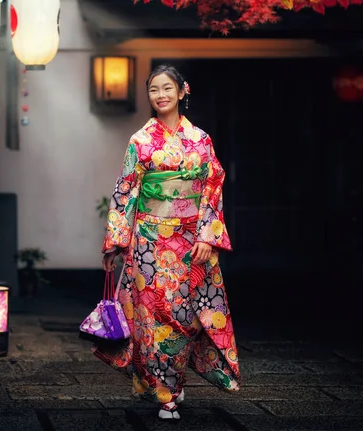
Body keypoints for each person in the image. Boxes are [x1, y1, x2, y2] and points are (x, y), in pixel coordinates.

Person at [93, 64, 241, 420]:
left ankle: (168, 379)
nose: (160, 96)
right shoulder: (140, 141)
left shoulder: (201, 140)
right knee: (152, 315)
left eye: (166, 89)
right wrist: (116, 242)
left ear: (181, 91)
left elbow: (212, 187)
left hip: (191, 239)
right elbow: (126, 190)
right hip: (147, 241)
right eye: (153, 90)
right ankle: (166, 393)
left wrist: (208, 233)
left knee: (187, 317)